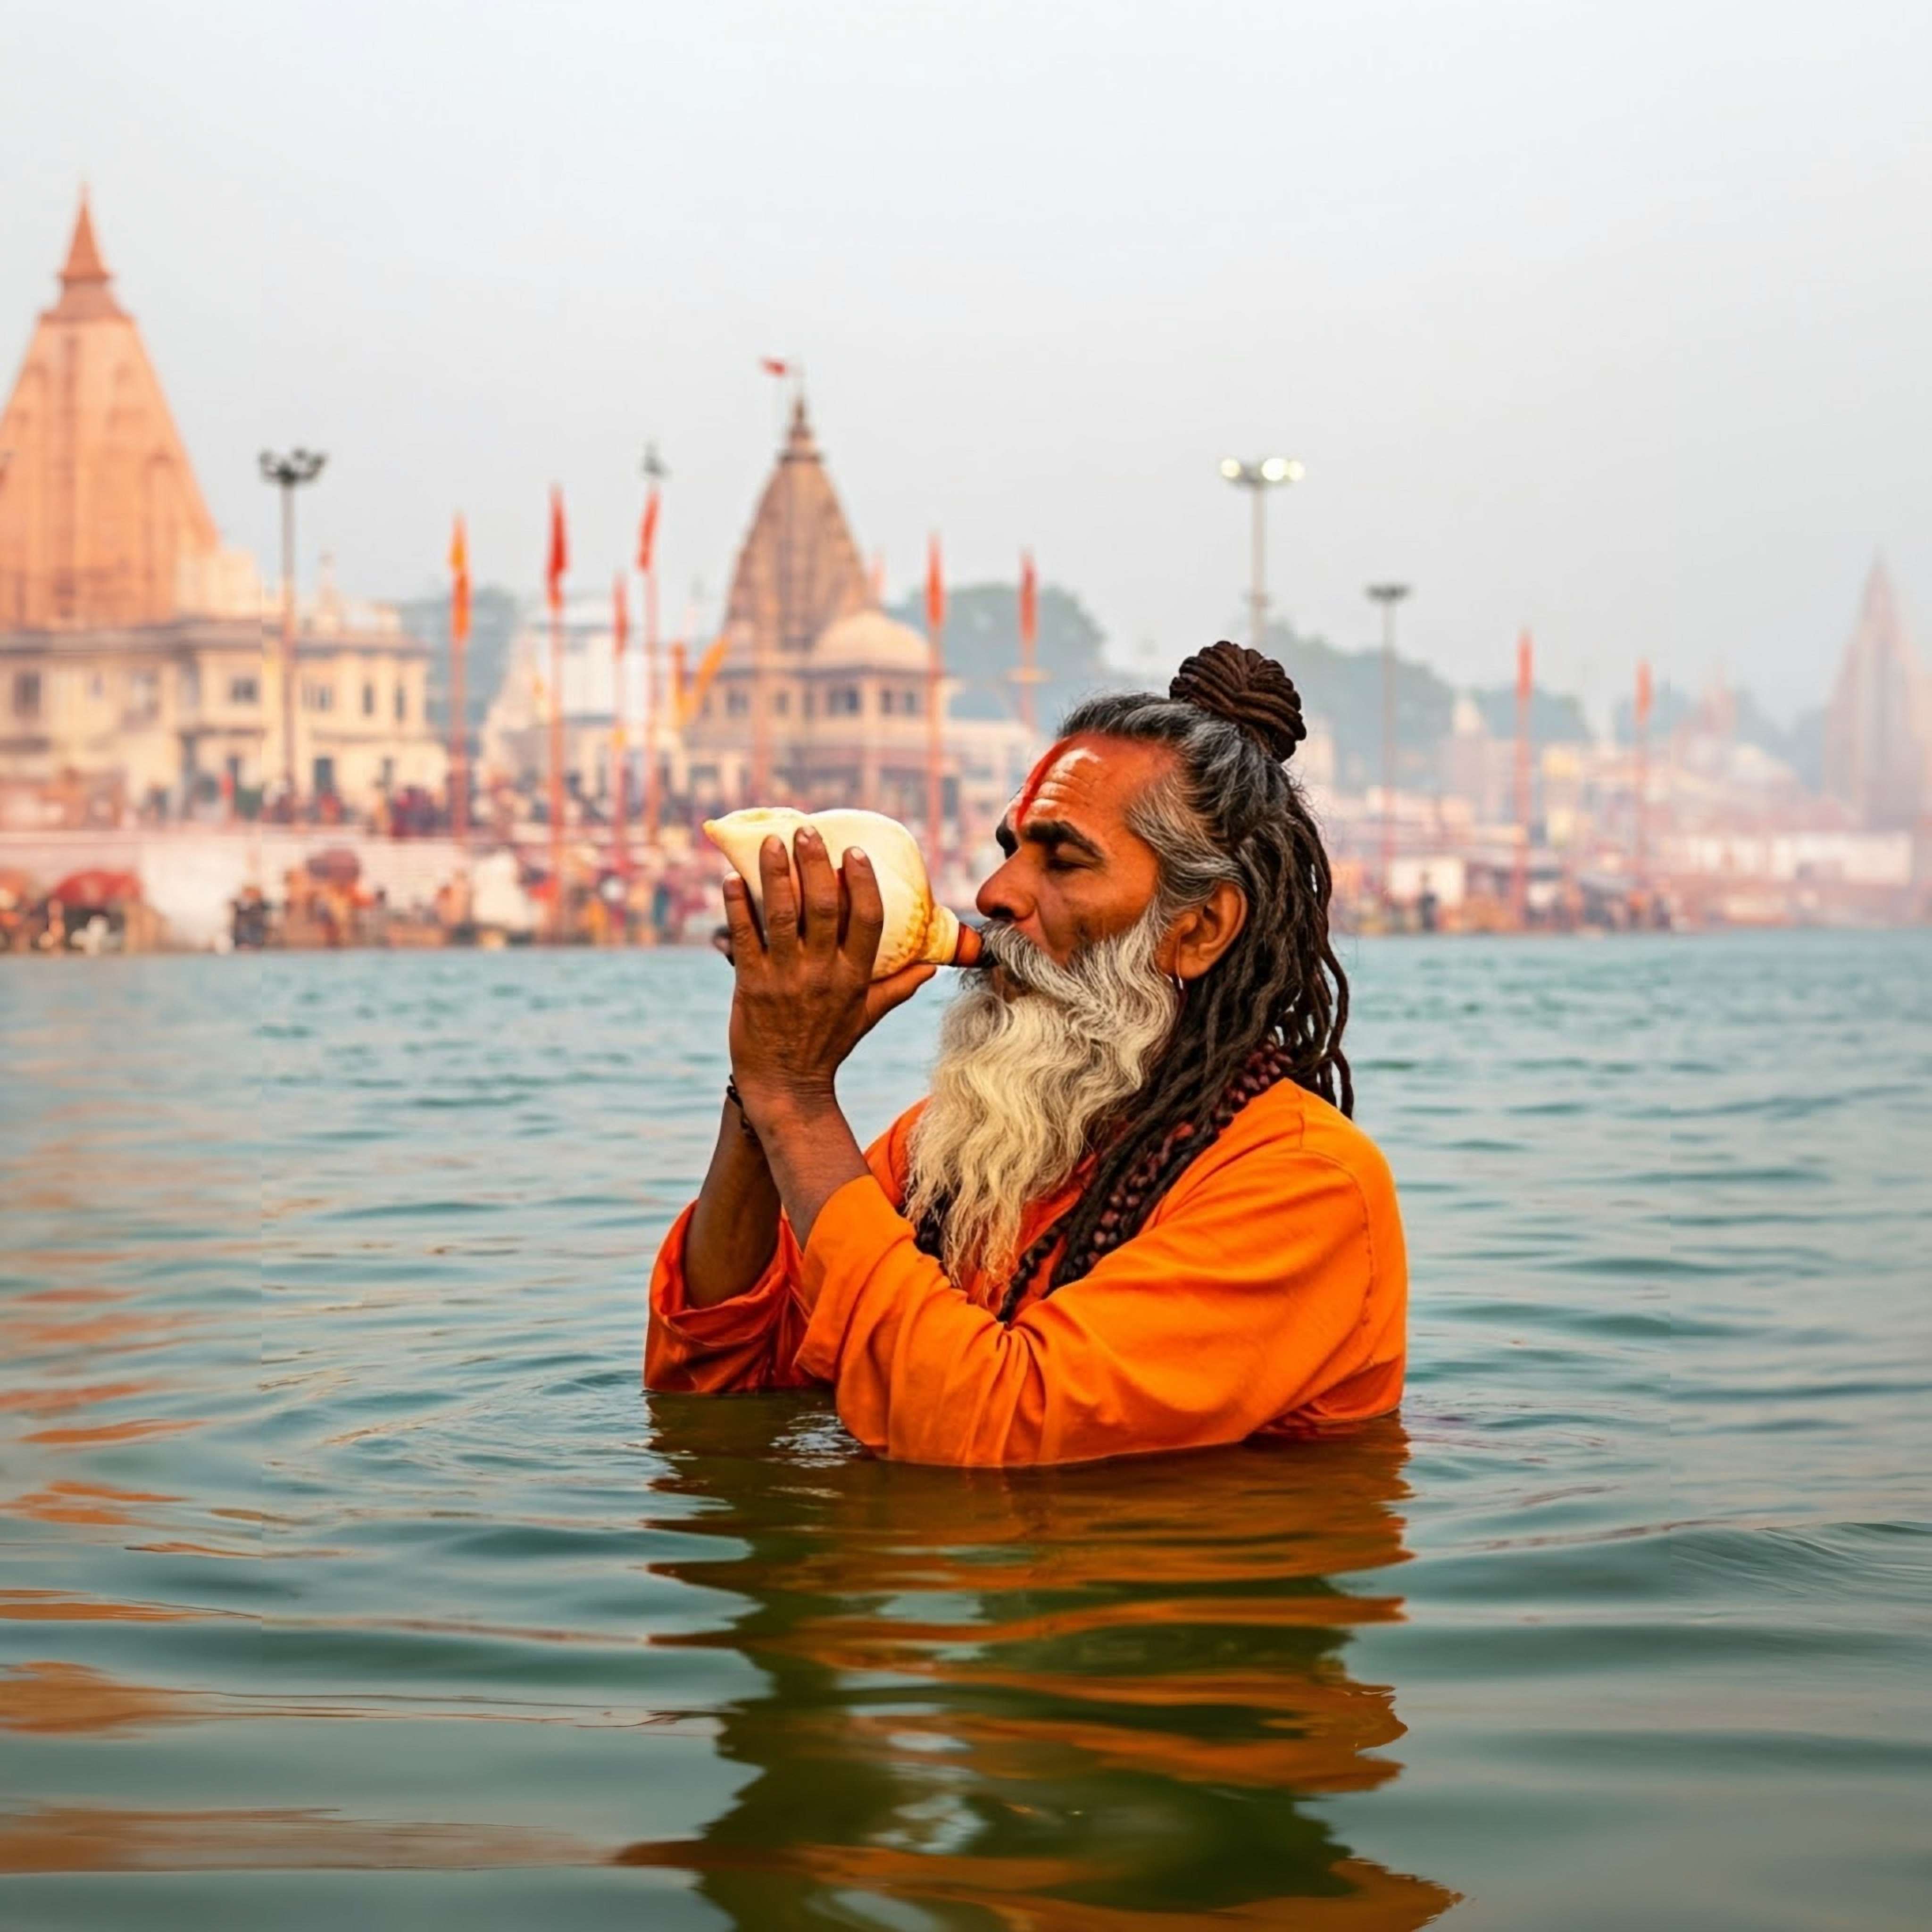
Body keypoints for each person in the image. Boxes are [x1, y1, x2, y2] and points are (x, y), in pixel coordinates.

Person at [645, 641, 1407, 1466]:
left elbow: (991, 1424)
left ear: (1199, 929)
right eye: (1012, 850)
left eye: (1063, 860)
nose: (995, 895)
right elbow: (715, 1381)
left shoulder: (1303, 1185)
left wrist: (796, 1101)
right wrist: (759, 1093)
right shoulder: (945, 1149)